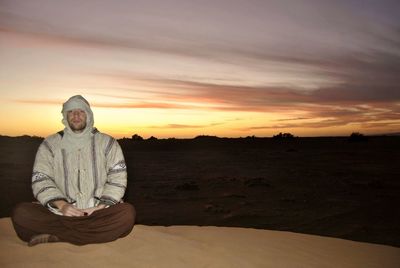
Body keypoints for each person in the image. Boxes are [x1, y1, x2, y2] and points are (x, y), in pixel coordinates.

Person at [11, 95, 135, 246]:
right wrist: (63, 206)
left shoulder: (108, 143)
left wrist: (100, 207)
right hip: (59, 212)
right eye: (71, 111)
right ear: (65, 116)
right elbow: (41, 178)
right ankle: (86, 234)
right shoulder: (50, 144)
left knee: (127, 214)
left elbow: (118, 178)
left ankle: (58, 237)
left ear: (88, 115)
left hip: (97, 212)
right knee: (21, 213)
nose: (76, 115)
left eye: (81, 111)